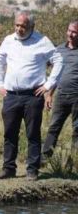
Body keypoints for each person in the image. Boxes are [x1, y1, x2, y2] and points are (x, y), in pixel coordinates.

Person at [0, 11, 63, 180]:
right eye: (17, 25)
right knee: (9, 133)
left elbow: (58, 60)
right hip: (11, 95)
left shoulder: (42, 41)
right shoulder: (9, 40)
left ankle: (32, 170)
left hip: (32, 96)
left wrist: (48, 84)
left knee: (32, 134)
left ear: (31, 26)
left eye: (23, 26)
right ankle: (8, 168)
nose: (19, 29)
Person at [43, 21, 78, 158]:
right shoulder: (58, 50)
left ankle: (74, 161)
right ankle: (45, 158)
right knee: (53, 127)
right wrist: (49, 94)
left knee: (77, 130)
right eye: (69, 30)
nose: (70, 34)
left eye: (74, 32)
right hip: (61, 96)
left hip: (77, 98)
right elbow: (53, 74)